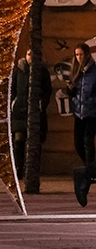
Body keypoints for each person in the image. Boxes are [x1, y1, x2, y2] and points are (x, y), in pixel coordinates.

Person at [11, 48, 51, 180]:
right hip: (20, 113)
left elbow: (47, 91)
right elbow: (13, 89)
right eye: (28, 54)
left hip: (35, 113)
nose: (30, 58)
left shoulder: (42, 71)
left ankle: (32, 170)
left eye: (33, 55)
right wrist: (13, 103)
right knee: (18, 141)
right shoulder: (19, 70)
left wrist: (41, 105)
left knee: (34, 143)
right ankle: (18, 169)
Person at [68, 44, 96, 167]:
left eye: (81, 54)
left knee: (88, 140)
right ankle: (90, 166)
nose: (79, 57)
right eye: (77, 55)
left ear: (87, 55)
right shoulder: (76, 71)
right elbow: (74, 92)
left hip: (93, 111)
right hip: (79, 111)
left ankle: (90, 169)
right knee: (78, 142)